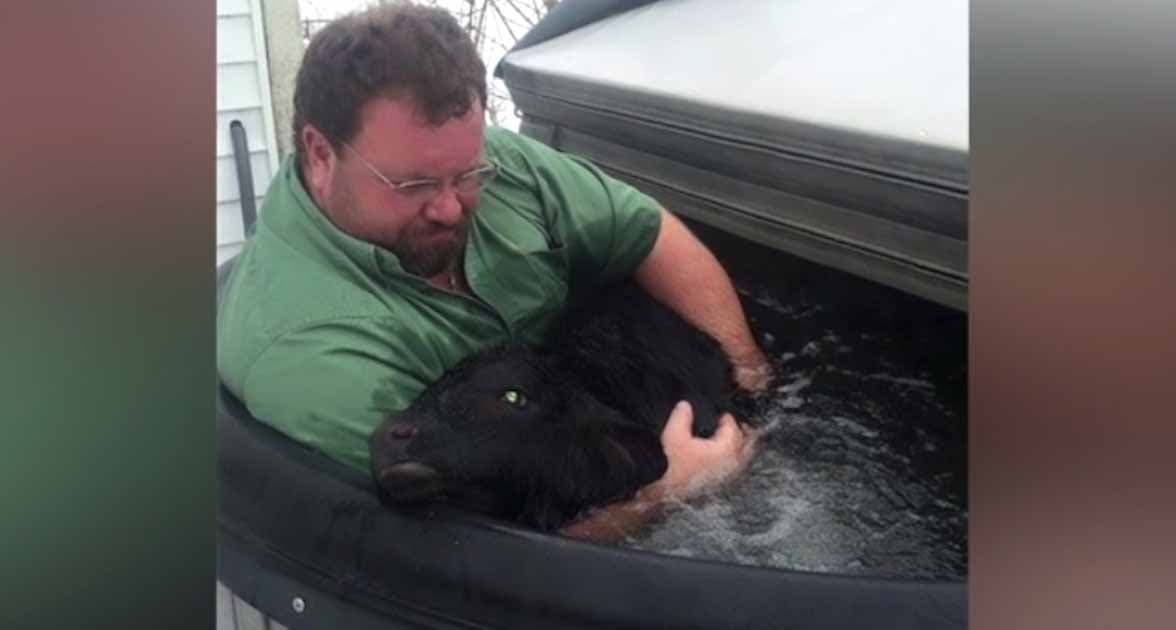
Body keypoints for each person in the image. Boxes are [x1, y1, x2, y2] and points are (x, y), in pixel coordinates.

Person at [217, 3, 770, 540]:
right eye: (415, 186)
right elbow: (470, 553)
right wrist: (670, 490)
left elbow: (652, 235)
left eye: (468, 174)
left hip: (588, 398)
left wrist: (752, 391)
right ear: (319, 155)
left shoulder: (471, 159)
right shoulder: (313, 357)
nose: (451, 207)